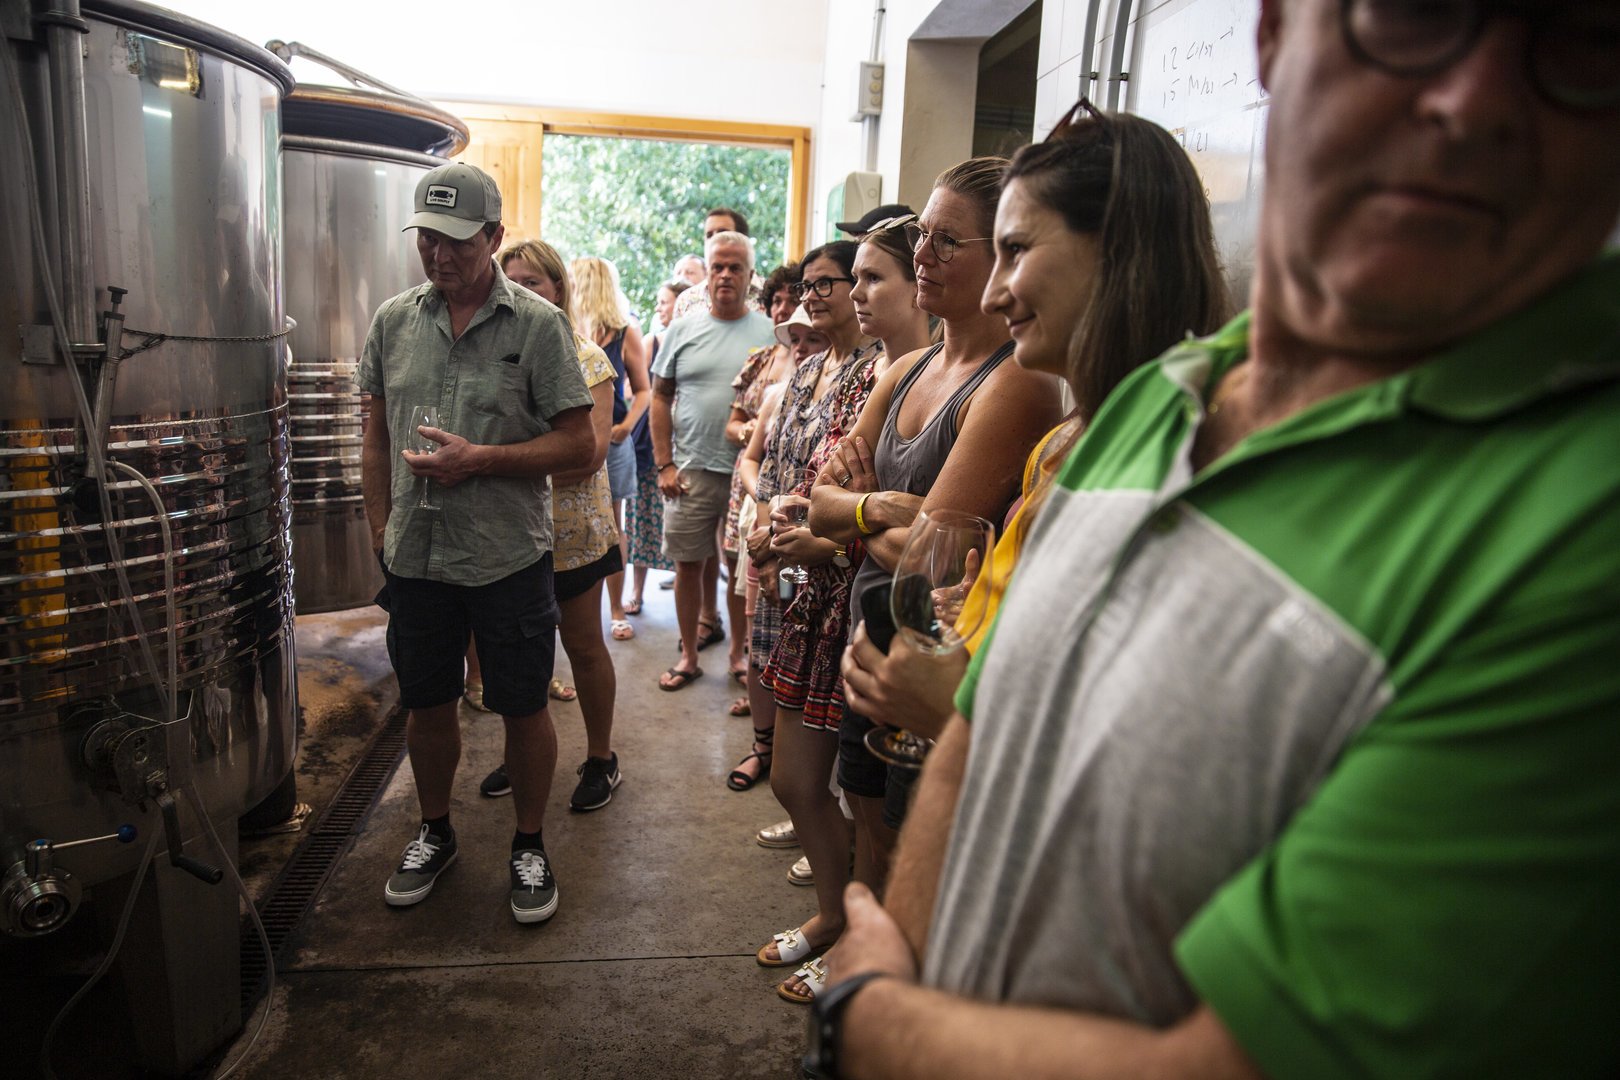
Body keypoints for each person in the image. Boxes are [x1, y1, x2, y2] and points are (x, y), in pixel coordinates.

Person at [819, 3, 1620, 1077]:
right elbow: (973, 748)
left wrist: (871, 1019)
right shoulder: (1162, 398)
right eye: (1422, 17)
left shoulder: (1580, 526)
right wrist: (909, 963)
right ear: (1279, 33)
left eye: (1585, 44)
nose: (1475, 103)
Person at [841, 103, 1228, 745]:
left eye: (1015, 252)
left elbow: (1139, 731)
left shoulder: (1179, 455)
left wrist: (955, 709)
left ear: (1116, 258)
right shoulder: (1071, 442)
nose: (996, 293)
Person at [805, 158, 1062, 954]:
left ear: (1004, 259)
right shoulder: (911, 365)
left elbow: (937, 554)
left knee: (920, 844)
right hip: (869, 639)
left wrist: (855, 517)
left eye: (949, 241)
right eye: (923, 235)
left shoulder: (1014, 382)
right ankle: (864, 947)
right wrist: (875, 509)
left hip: (934, 658)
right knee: (867, 822)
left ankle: (891, 979)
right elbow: (820, 498)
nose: (924, 255)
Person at [359, 162, 593, 926]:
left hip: (506, 558)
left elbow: (579, 446)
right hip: (418, 557)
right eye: (427, 239)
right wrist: (379, 534)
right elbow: (374, 439)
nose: (440, 256)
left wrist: (482, 461)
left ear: (494, 236)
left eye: (457, 241)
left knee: (523, 707)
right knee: (428, 706)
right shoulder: (394, 320)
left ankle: (528, 843)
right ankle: (435, 831)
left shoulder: (537, 325)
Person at [748, 241, 884, 1005]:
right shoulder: (806, 370)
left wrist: (827, 535)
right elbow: (787, 477)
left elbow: (856, 497)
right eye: (827, 282)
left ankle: (853, 927)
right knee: (796, 778)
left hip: (851, 586)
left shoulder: (880, 372)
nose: (836, 295)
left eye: (860, 279)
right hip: (802, 577)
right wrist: (769, 545)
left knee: (863, 795)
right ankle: (838, 912)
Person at [475, 240, 627, 813]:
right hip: (512, 536)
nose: (520, 291)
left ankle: (600, 758)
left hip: (573, 535)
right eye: (510, 281)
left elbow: (587, 455)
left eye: (532, 282)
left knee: (584, 647)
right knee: (517, 656)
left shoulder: (586, 357)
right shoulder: (501, 354)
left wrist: (493, 468)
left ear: (558, 288)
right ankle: (526, 755)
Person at [650, 229, 776, 690]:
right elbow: (659, 398)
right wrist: (664, 463)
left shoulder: (770, 332)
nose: (725, 275)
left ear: (749, 275)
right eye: (717, 266)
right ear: (706, 273)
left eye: (735, 267)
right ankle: (688, 655)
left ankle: (739, 658)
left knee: (741, 569)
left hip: (752, 475)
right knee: (686, 563)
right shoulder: (681, 330)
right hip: (691, 468)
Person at [729, 305, 830, 790]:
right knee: (761, 640)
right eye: (797, 339)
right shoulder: (780, 391)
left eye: (812, 338)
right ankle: (763, 746)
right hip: (768, 532)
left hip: (810, 545)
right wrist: (767, 526)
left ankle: (799, 763)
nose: (803, 347)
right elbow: (756, 462)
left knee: (799, 637)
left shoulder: (852, 386)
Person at [721, 262, 803, 708]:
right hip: (755, 494)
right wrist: (748, 433)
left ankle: (776, 692)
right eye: (777, 301)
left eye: (794, 299)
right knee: (746, 578)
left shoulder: (830, 371)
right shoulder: (761, 363)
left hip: (794, 515)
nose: (785, 309)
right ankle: (745, 660)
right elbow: (734, 426)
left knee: (788, 595)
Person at [570, 256, 650, 643]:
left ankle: (616, 609)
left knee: (614, 524)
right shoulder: (563, 329)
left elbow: (644, 390)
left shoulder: (623, 331)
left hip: (614, 444)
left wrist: (624, 428)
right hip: (570, 438)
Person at [622, 280, 690, 614]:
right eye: (659, 302)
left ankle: (688, 596)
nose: (660, 308)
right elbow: (634, 389)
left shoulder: (692, 342)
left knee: (682, 526)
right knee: (640, 520)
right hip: (652, 445)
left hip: (686, 447)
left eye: (665, 302)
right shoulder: (652, 341)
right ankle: (636, 592)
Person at [672, 207, 764, 320]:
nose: (714, 240)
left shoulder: (773, 296)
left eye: (722, 232)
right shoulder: (687, 301)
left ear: (742, 239)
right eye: (709, 235)